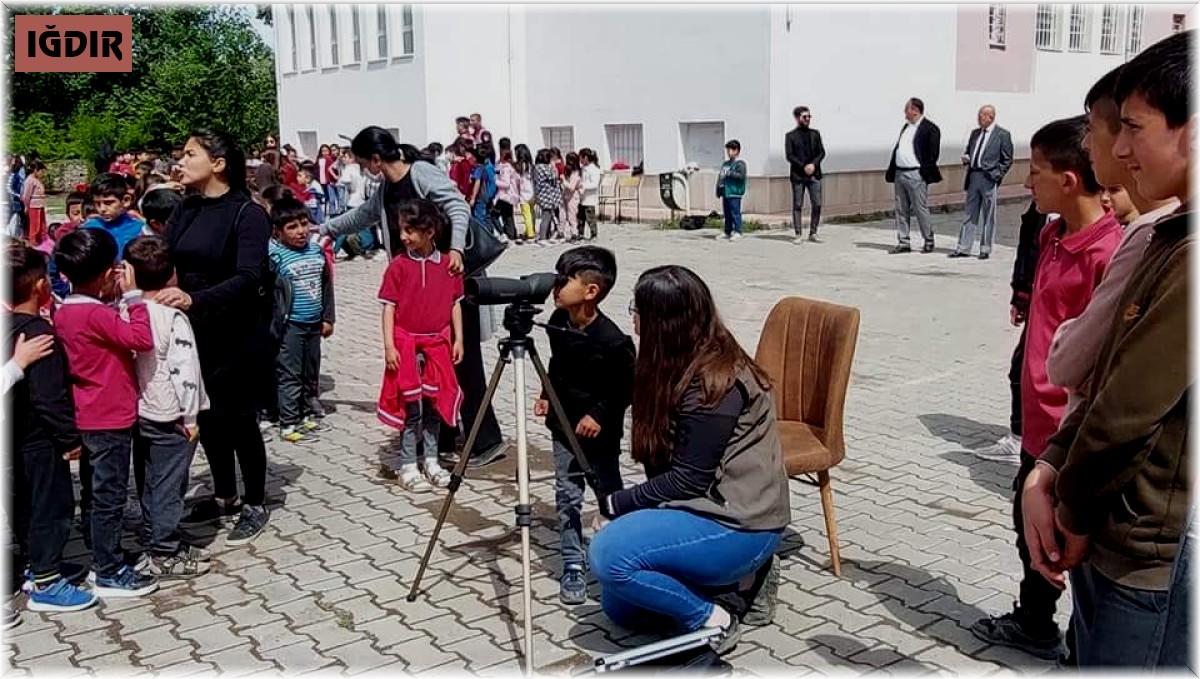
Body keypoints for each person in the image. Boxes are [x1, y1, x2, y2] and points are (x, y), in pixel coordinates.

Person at [1022, 30, 1192, 669]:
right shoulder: (1169, 237)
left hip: (1143, 547)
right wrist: (1049, 465)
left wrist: (1066, 502)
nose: (1118, 149)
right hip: (1109, 526)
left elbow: (1124, 413)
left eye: (1133, 128)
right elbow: (1108, 384)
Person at [969, 116, 1122, 659]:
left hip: (1071, 428)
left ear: (1070, 180)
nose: (1027, 182)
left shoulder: (1110, 254)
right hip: (1036, 418)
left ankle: (1083, 644)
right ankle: (1035, 621)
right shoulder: (1050, 233)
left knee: (1074, 538)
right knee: (1029, 524)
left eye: (1036, 172)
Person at [589, 265, 790, 656]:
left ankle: (714, 618)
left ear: (664, 322)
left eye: (637, 310)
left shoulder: (716, 382)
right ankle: (733, 583)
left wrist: (615, 504)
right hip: (700, 509)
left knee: (608, 556)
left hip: (740, 523)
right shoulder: (677, 360)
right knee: (622, 608)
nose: (633, 318)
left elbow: (688, 480)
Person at [322, 126, 507, 468]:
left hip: (449, 278)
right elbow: (363, 215)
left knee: (463, 363)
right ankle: (444, 437)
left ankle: (485, 441)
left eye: (362, 162)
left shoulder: (420, 173)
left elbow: (458, 207)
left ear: (375, 159)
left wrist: (455, 250)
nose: (363, 168)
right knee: (433, 366)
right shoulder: (386, 187)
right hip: (418, 289)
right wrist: (326, 229)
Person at [157, 130, 274, 547]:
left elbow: (249, 277)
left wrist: (196, 298)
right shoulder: (186, 207)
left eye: (190, 154)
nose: (181, 161)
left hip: (236, 330)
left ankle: (254, 501)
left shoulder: (248, 213)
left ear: (218, 163)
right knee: (204, 416)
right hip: (192, 329)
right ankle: (224, 494)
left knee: (238, 419)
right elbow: (165, 256)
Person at [1045, 65, 1181, 418]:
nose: (1086, 144)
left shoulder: (1149, 233)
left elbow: (1068, 363)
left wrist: (1066, 334)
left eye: (1092, 129)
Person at [53, 228, 159, 597]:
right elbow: (141, 339)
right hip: (109, 415)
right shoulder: (96, 314)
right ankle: (109, 570)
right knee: (109, 497)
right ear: (105, 274)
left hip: (86, 413)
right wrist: (134, 298)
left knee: (94, 491)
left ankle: (102, 551)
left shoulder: (65, 310)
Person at [533, 246, 634, 605]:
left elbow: (625, 388)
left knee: (609, 495)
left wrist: (599, 415)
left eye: (565, 280)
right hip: (563, 426)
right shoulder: (558, 322)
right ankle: (573, 562)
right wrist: (546, 394)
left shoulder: (613, 341)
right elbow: (557, 365)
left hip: (600, 435)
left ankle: (623, 554)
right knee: (567, 495)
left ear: (591, 291)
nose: (556, 286)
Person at [4, 242, 96, 615]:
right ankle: (47, 582)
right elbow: (47, 398)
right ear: (42, 285)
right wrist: (69, 438)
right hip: (39, 440)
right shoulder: (40, 335)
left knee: (23, 506)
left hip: (13, 439)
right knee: (52, 508)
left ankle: (36, 566)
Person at [123, 236, 211, 578]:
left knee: (148, 479)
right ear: (173, 274)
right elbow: (184, 371)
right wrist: (190, 418)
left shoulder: (128, 311)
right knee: (170, 484)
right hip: (172, 413)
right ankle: (165, 551)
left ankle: (153, 533)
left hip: (141, 410)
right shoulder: (172, 318)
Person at [376, 199, 462, 490]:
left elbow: (455, 303)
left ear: (430, 231)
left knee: (434, 406)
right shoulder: (398, 266)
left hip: (438, 345)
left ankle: (432, 461)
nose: (403, 237)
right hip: (407, 346)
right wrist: (389, 346)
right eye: (401, 230)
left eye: (410, 231)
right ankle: (408, 465)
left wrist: (458, 339)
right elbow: (388, 307)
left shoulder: (448, 265)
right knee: (411, 408)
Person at [973, 201, 1050, 465]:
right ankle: (1021, 436)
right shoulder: (1043, 214)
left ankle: (1029, 440)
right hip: (1036, 303)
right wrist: (1021, 296)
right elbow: (1027, 252)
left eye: (1036, 177)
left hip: (1054, 317)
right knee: (1021, 370)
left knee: (1032, 373)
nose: (1029, 184)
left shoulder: (1095, 238)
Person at [268, 197, 336, 445]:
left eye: (304, 224)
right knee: (290, 373)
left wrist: (328, 317)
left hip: (314, 323)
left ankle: (305, 413)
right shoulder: (274, 257)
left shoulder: (316, 252)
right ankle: (288, 422)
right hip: (290, 326)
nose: (301, 232)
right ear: (278, 231)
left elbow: (326, 286)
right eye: (292, 227)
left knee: (310, 371)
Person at [950, 105, 1014, 259]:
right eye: (979, 115)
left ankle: (985, 248)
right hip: (973, 175)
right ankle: (963, 247)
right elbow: (969, 150)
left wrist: (997, 174)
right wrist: (967, 157)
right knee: (969, 213)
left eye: (982, 116)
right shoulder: (975, 133)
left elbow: (1007, 159)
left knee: (988, 214)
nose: (979, 119)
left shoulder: (1002, 135)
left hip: (989, 177)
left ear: (991, 117)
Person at [885, 97, 942, 254]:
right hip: (900, 173)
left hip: (916, 173)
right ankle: (904, 241)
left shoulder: (930, 129)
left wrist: (923, 173)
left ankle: (928, 239)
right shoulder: (906, 127)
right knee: (901, 208)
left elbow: (933, 155)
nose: (905, 113)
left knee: (919, 208)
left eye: (907, 110)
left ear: (915, 110)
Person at [784, 106, 826, 244]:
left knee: (817, 204)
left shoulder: (815, 134)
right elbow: (790, 156)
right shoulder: (790, 136)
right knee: (797, 204)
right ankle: (798, 234)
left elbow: (822, 152)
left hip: (814, 174)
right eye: (804, 117)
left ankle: (813, 232)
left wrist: (813, 164)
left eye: (809, 116)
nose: (807, 119)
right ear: (797, 118)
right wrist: (803, 166)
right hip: (798, 176)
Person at [81, 173, 147, 257]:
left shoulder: (140, 230)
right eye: (97, 203)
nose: (102, 209)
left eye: (108, 203)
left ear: (126, 201)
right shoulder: (89, 228)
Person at [716, 140, 747, 242]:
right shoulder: (725, 164)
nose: (729, 152)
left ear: (737, 151)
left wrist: (729, 173)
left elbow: (741, 176)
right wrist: (718, 188)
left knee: (735, 212)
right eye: (728, 150)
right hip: (726, 192)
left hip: (734, 192)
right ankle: (727, 231)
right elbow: (720, 177)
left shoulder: (740, 164)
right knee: (727, 213)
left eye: (731, 150)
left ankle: (738, 230)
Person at [533, 149, 563, 244]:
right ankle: (542, 238)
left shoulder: (537, 167)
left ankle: (545, 236)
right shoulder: (544, 167)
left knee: (548, 217)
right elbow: (554, 176)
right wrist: (553, 166)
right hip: (547, 196)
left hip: (543, 195)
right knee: (546, 217)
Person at [494, 150, 522, 241]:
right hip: (511, 196)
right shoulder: (512, 167)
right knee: (508, 216)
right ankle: (511, 234)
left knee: (494, 215)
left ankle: (503, 233)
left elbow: (506, 184)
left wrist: (495, 181)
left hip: (505, 196)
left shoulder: (506, 168)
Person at [20, 160, 48, 246]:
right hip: (34, 206)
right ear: (35, 170)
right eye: (41, 171)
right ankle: (33, 243)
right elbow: (26, 196)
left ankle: (44, 241)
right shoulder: (30, 180)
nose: (42, 174)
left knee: (42, 225)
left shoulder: (36, 180)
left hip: (40, 205)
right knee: (35, 226)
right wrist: (26, 207)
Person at [579, 148, 601, 241]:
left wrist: (583, 186)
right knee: (580, 218)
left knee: (590, 218)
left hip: (589, 198)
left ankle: (594, 234)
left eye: (581, 158)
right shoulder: (583, 169)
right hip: (581, 197)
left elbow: (594, 184)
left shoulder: (594, 169)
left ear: (586, 157)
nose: (580, 160)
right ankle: (580, 234)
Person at [561, 152, 583, 244]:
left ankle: (575, 234)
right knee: (565, 216)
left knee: (572, 217)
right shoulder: (571, 172)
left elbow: (571, 187)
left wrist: (563, 180)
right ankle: (566, 233)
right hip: (567, 196)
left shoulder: (576, 173)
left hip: (573, 198)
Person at [317, 144, 341, 216]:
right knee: (333, 198)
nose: (325, 153)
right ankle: (333, 214)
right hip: (329, 182)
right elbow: (325, 170)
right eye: (323, 151)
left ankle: (334, 213)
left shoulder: (332, 158)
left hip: (332, 181)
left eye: (326, 151)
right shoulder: (325, 159)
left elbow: (331, 169)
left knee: (336, 198)